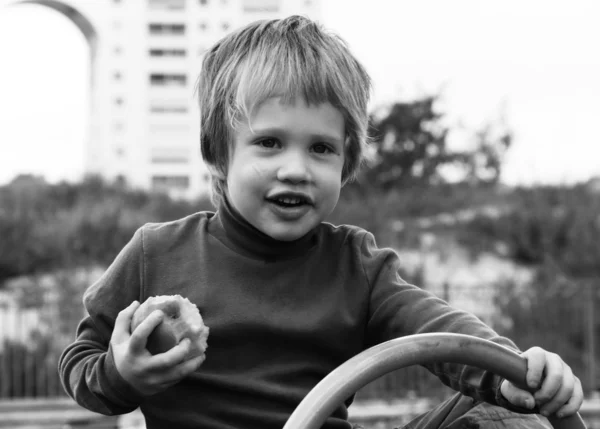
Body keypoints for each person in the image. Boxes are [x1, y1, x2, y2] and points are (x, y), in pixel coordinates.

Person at [58, 15, 583, 429]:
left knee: (510, 418)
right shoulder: (157, 253)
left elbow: (438, 329)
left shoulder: (356, 266)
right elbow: (80, 360)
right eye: (269, 142)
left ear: (345, 164)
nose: (296, 169)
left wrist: (515, 371)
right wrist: (121, 375)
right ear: (218, 154)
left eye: (321, 149)